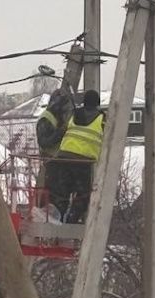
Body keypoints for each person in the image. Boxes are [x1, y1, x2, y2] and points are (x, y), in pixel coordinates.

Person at [43, 89, 106, 223]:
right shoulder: (102, 118)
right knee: (82, 197)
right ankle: (71, 221)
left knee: (61, 194)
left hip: (64, 158)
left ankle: (57, 221)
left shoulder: (73, 115)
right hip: (84, 163)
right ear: (97, 103)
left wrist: (48, 144)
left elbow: (62, 132)